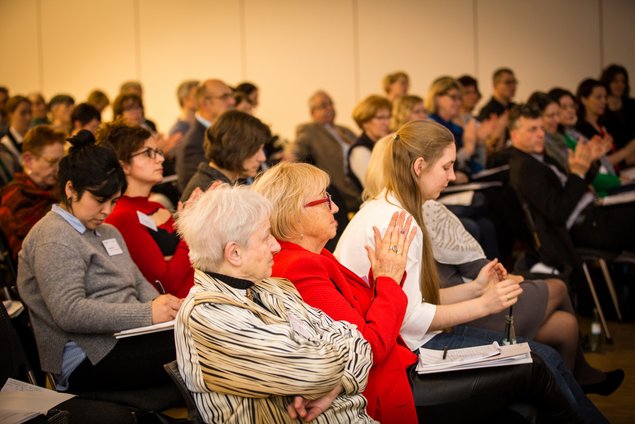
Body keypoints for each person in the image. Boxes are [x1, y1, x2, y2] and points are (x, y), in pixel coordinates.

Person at [253, 162, 585, 423]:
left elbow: (370, 321)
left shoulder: (314, 257)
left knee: (535, 360)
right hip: (390, 384)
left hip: (405, 362)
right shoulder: (299, 267)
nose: (336, 207)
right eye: (324, 200)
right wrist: (387, 279)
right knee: (535, 363)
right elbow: (366, 349)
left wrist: (390, 281)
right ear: (294, 213)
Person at [335, 120, 608, 420]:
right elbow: (411, 319)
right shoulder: (398, 220)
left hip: (403, 343)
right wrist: (482, 304)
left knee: (543, 355)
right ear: (419, 166)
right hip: (405, 354)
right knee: (540, 357)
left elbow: (411, 301)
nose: (452, 176)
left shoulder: (387, 207)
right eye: (446, 167)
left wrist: (475, 288)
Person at [174, 184, 375, 423]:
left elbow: (360, 341)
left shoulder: (272, 287)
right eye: (265, 237)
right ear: (234, 253)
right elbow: (317, 369)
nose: (276, 246)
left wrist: (333, 383)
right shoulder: (206, 314)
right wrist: (331, 369)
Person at [17, 130, 181, 394]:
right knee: (196, 347)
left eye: (114, 201)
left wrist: (165, 313)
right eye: (99, 199)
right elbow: (70, 312)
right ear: (71, 189)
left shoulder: (107, 231)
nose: (107, 210)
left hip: (126, 337)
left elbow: (137, 280)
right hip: (88, 356)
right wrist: (147, 314)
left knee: (197, 336)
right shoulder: (53, 236)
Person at [508, 103, 635, 263]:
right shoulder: (525, 168)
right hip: (582, 227)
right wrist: (577, 174)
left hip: (593, 215)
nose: (541, 134)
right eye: (533, 129)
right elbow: (558, 213)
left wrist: (590, 161)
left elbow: (576, 186)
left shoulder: (538, 157)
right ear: (514, 136)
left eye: (541, 128)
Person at [99, 121, 194, 298]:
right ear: (123, 165)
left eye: (157, 151)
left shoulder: (155, 206)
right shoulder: (121, 217)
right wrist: (190, 229)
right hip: (181, 312)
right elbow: (166, 283)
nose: (161, 158)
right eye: (147, 153)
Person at [0, 125, 64, 260]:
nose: (58, 169)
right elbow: (22, 253)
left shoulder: (64, 191)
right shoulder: (14, 199)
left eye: (61, 162)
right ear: (28, 160)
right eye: (52, 162)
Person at [291, 90, 360, 213]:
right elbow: (295, 151)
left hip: (357, 185)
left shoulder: (345, 130)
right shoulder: (310, 130)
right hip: (338, 190)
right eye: (323, 106)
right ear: (313, 112)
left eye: (331, 104)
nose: (329, 108)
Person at [547, 88, 622, 197]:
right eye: (564, 107)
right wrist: (617, 181)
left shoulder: (573, 134)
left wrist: (597, 156)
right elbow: (584, 174)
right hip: (595, 196)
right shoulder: (558, 141)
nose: (570, 111)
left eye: (572, 106)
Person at [180, 110, 268, 201]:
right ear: (234, 147)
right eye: (256, 150)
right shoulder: (213, 193)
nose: (262, 158)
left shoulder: (214, 181)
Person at [175, 79, 235, 192]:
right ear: (205, 103)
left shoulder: (224, 133)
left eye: (232, 95)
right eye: (224, 97)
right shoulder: (193, 143)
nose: (232, 101)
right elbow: (200, 189)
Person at [575, 78, 635, 168]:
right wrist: (628, 150)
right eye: (598, 97)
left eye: (605, 97)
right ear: (584, 100)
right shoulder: (580, 128)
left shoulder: (605, 123)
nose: (604, 101)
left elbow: (618, 159)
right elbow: (597, 164)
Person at [348, 95, 391, 192]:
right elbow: (375, 188)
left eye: (388, 117)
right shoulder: (359, 151)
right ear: (365, 122)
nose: (387, 122)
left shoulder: (386, 144)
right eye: (380, 118)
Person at [599, 64, 635, 151]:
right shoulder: (600, 109)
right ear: (607, 82)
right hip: (613, 157)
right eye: (615, 81)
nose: (620, 85)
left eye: (623, 81)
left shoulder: (632, 105)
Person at [0, 95, 32, 185]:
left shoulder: (35, 139)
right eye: (23, 113)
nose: (28, 117)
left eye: (30, 112)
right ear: (10, 114)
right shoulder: (4, 144)